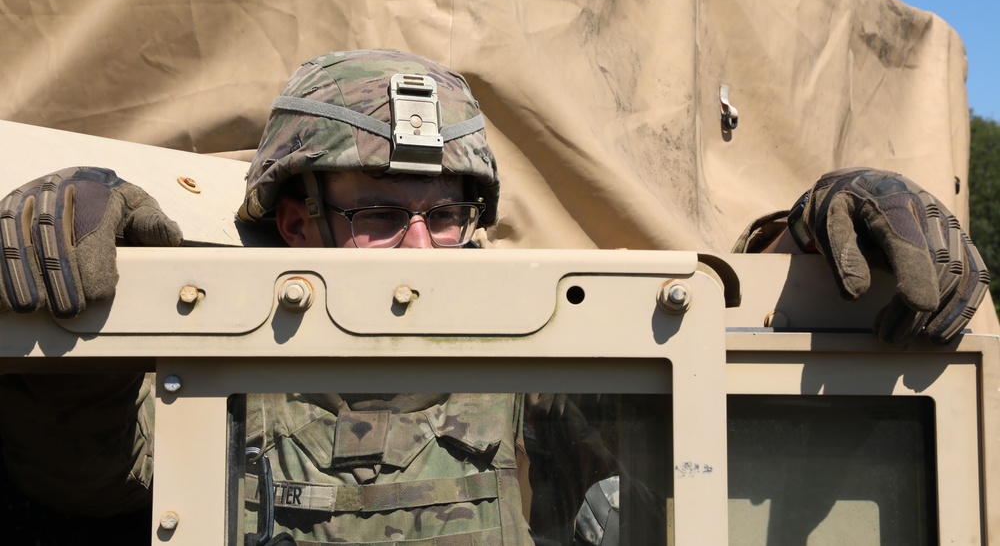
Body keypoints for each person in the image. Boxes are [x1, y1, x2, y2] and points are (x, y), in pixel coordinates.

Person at [0, 49, 989, 545]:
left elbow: (692, 380)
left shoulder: (532, 375)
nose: (420, 248)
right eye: (381, 213)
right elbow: (81, 472)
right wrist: (85, 302)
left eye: (444, 215)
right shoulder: (208, 368)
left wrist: (805, 241)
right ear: (295, 223)